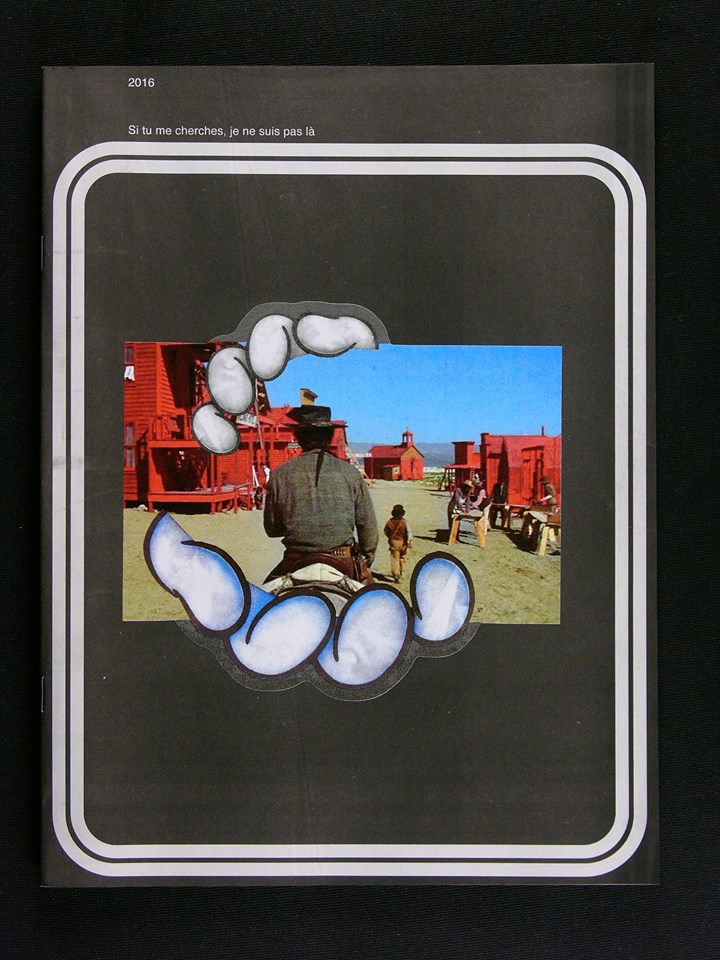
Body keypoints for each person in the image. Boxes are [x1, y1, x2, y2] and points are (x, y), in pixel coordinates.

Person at [263, 405, 378, 583]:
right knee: (373, 599)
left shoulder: (279, 474)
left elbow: (271, 529)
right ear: (329, 437)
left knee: (263, 598)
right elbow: (367, 527)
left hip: (295, 559)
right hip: (342, 559)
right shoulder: (351, 473)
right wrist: (366, 560)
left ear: (299, 437)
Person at [383, 504, 413, 583]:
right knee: (402, 557)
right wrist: (408, 541)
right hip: (403, 542)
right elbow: (409, 532)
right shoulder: (404, 522)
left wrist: (390, 537)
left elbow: (385, 531)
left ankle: (396, 574)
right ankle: (402, 570)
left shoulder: (389, 522)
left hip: (394, 542)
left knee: (395, 558)